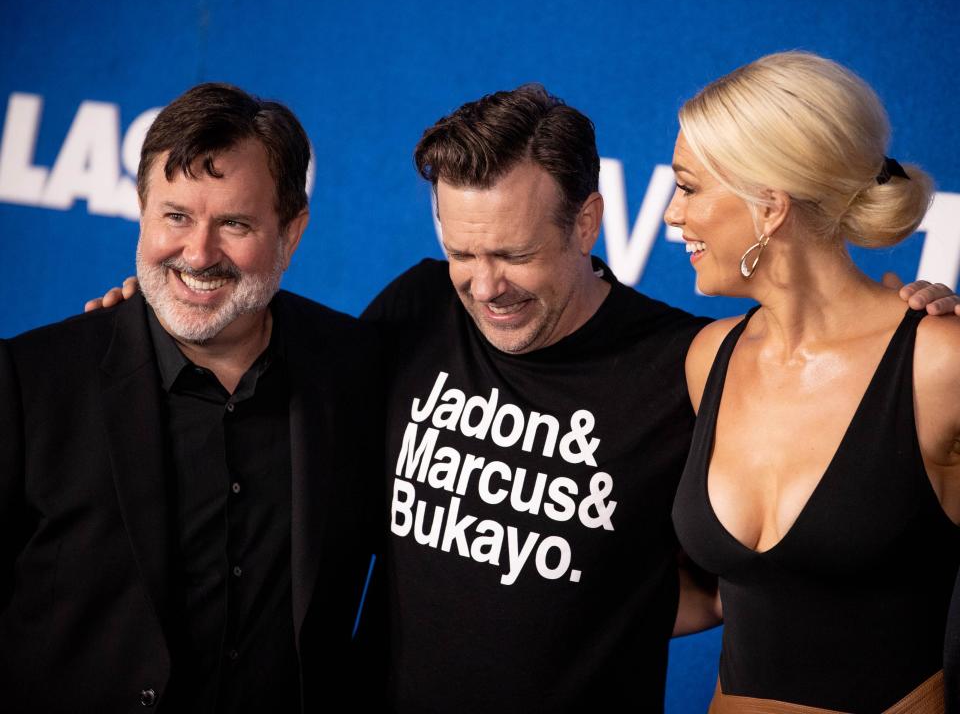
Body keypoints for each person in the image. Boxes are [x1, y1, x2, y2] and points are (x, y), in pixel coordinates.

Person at [84, 83, 959, 712]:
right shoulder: (417, 305)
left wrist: (910, 312)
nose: (483, 285)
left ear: (586, 222)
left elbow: (751, 577)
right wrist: (158, 314)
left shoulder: (687, 362)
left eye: (512, 256)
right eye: (462, 252)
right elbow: (256, 345)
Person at [0, 83, 383, 713]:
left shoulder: (359, 370)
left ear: (291, 233)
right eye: (176, 216)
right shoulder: (33, 382)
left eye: (234, 223)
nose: (198, 254)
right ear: (143, 210)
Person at [668, 52, 960, 712]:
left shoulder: (939, 364)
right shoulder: (708, 358)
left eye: (687, 188)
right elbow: (743, 597)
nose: (670, 216)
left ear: (769, 206)